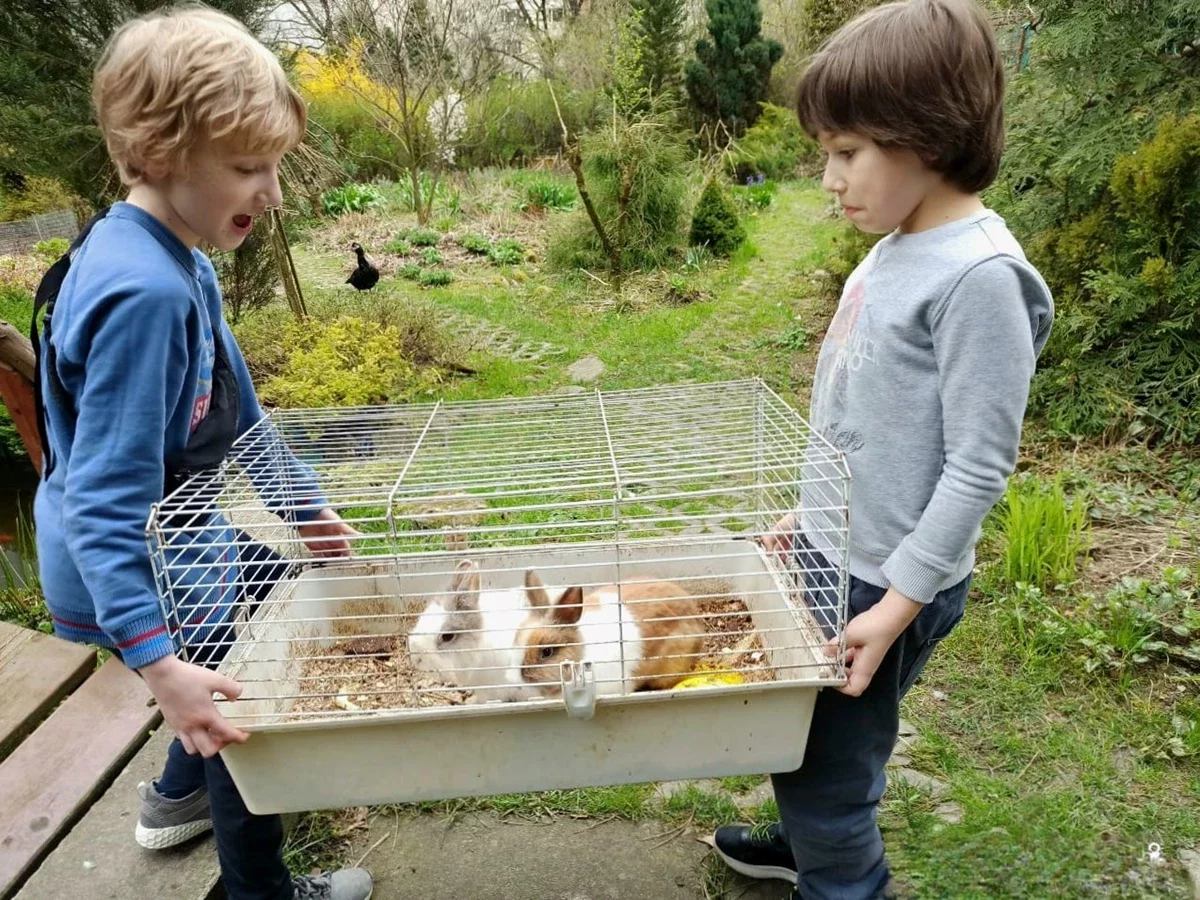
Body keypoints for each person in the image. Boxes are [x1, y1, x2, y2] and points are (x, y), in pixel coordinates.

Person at [709, 1, 1055, 898]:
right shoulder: (896, 244)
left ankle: (840, 874)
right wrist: (812, 510)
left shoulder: (980, 279)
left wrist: (899, 601)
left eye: (848, 151)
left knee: (826, 765)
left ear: (928, 136)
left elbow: (981, 463)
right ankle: (807, 842)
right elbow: (866, 415)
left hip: (887, 576)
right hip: (840, 549)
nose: (829, 178)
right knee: (811, 742)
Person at [32, 7, 372, 899]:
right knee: (238, 711)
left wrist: (301, 504)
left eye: (275, 165)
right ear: (160, 156)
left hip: (182, 539)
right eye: (248, 167)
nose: (272, 192)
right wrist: (160, 667)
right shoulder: (142, 295)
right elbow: (102, 502)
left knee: (288, 586)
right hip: (139, 565)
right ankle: (254, 887)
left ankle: (174, 795)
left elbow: (239, 409)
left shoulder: (177, 253)